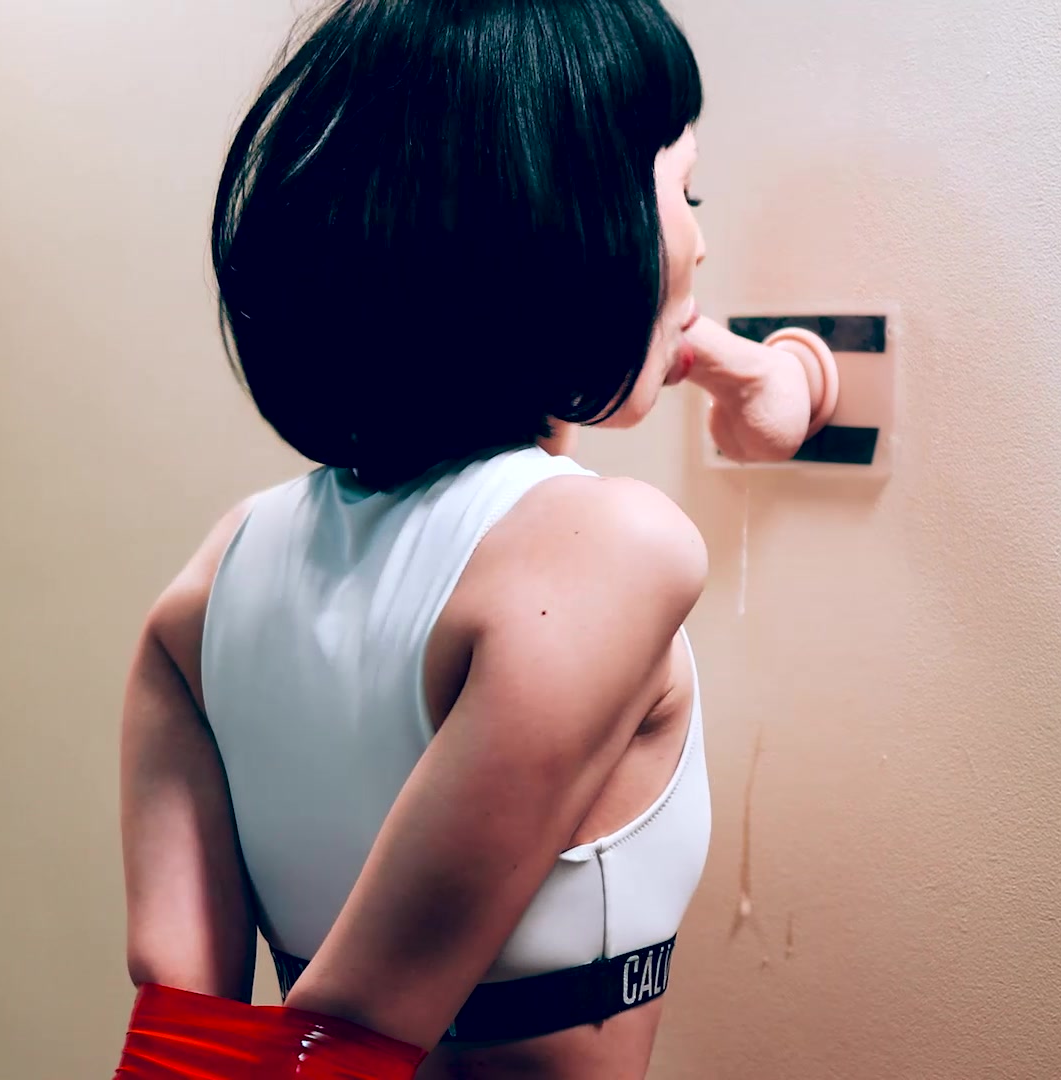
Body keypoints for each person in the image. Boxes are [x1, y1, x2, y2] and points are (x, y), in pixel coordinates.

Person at [113, 1, 834, 1076]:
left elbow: (183, 1040)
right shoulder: (612, 548)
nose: (700, 238)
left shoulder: (218, 576)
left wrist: (775, 376)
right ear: (571, 222)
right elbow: (348, 1031)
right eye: (684, 194)